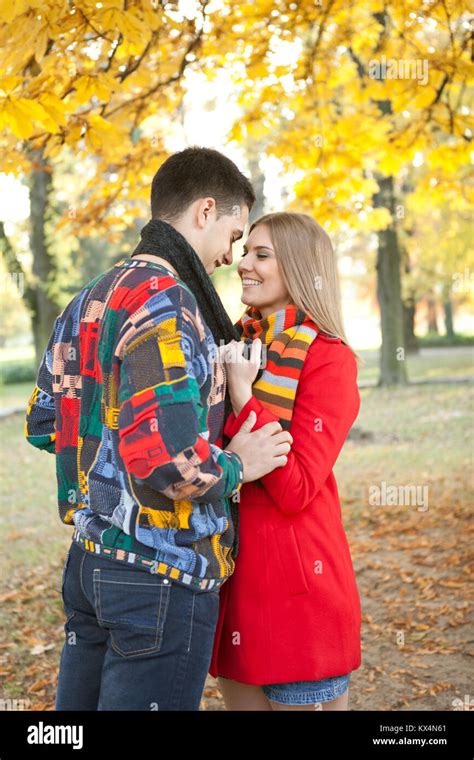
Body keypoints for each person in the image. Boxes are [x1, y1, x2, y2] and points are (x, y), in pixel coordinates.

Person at [24, 147, 293, 711]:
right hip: (161, 574)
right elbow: (169, 463)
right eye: (234, 233)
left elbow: (47, 422)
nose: (231, 254)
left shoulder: (89, 298)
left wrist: (113, 461)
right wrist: (240, 461)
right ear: (205, 210)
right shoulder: (166, 305)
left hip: (90, 564)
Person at [208, 212, 362, 710]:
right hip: (234, 580)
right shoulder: (233, 346)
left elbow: (295, 489)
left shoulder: (328, 358)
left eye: (261, 254)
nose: (242, 264)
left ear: (298, 266)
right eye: (245, 250)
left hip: (297, 593)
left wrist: (241, 395)